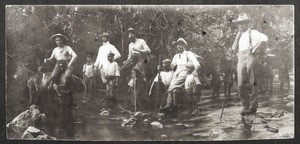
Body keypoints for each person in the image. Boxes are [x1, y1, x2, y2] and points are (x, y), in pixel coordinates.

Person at [231, 13, 268, 118]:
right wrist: (237, 38)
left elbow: (265, 38)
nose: (241, 26)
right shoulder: (239, 35)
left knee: (252, 83)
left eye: (243, 23)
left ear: (247, 24)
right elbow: (233, 49)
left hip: (250, 57)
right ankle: (245, 105)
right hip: (241, 58)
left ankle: (252, 107)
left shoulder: (253, 32)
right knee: (240, 85)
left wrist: (255, 48)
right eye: (239, 24)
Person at [160, 38, 201, 116]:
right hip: (177, 71)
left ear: (184, 45)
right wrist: (163, 67)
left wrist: (195, 70)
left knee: (175, 86)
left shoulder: (188, 53)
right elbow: (171, 66)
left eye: (180, 44)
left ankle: (174, 107)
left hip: (185, 70)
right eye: (177, 45)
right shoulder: (176, 56)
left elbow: (196, 63)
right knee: (170, 86)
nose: (178, 46)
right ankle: (169, 105)